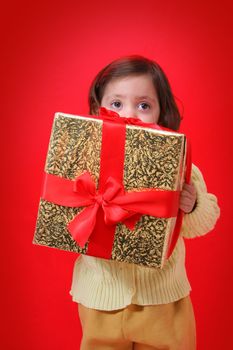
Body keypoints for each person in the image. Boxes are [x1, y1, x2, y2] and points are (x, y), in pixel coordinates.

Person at [69, 55, 220, 350]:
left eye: (144, 105)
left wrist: (193, 204)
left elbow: (204, 221)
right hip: (101, 300)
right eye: (116, 104)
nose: (131, 114)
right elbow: (66, 218)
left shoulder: (178, 166)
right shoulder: (84, 162)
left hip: (163, 301)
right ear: (96, 110)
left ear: (161, 113)